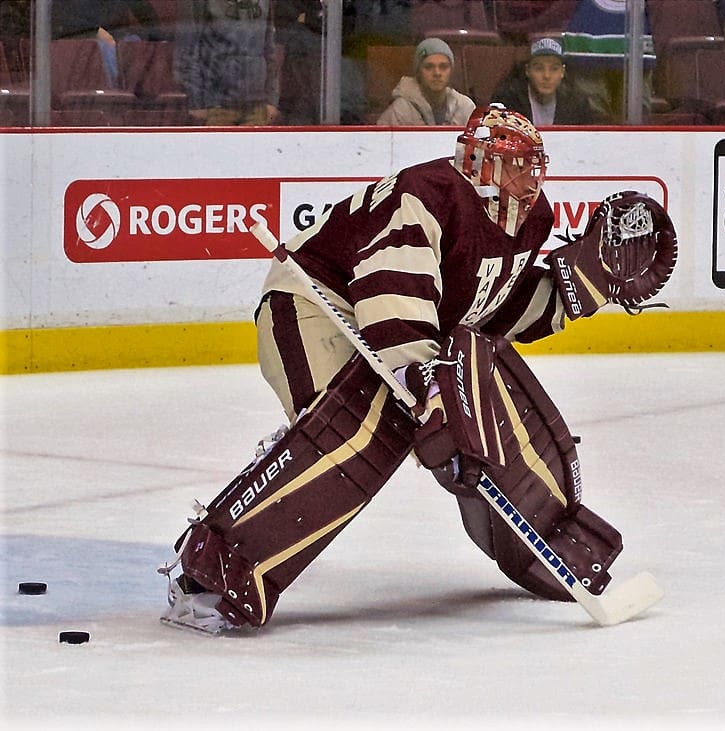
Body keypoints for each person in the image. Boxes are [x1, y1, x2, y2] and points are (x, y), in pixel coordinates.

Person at [158, 105, 678, 634]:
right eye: (513, 164)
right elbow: (394, 297)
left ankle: (539, 541)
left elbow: (490, 310)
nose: (528, 177)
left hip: (399, 332)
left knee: (472, 414)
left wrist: (581, 289)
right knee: (358, 434)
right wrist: (428, 389)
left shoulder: (531, 217)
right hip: (315, 307)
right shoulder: (429, 194)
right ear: (479, 162)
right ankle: (208, 577)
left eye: (532, 164)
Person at [174, 0, 281, 126]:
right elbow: (187, 49)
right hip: (214, 106)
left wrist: (272, 99)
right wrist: (196, 101)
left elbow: (269, 49)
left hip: (257, 106)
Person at [491, 37, 599, 125]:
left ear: (562, 71)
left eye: (554, 69)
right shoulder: (508, 101)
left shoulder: (577, 103)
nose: (547, 76)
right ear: (528, 71)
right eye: (539, 68)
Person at [376, 37, 475, 126]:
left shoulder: (465, 108)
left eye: (443, 67)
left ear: (451, 71)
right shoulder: (400, 111)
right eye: (429, 67)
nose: (437, 73)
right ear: (418, 71)